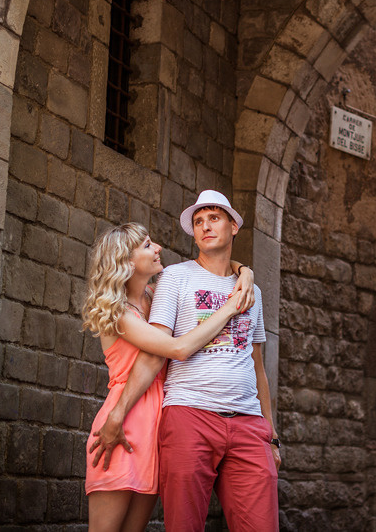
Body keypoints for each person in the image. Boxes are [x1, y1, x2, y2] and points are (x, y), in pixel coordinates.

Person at [90, 190, 280, 532]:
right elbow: (162, 353)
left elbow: (257, 365)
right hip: (174, 415)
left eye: (214, 218)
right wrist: (117, 412)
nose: (205, 226)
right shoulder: (170, 281)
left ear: (234, 226)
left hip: (234, 421)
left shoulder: (250, 290)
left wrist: (271, 432)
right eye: (198, 221)